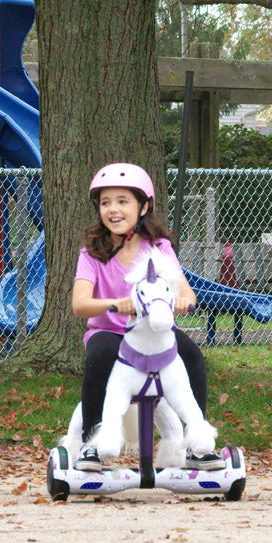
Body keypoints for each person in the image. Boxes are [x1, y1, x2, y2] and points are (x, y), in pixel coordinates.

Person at [71, 161, 223, 472]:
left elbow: (187, 292)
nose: (113, 209)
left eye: (123, 201)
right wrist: (116, 303)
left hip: (153, 332)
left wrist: (182, 301)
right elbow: (80, 304)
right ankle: (91, 442)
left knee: (192, 355)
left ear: (142, 208)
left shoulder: (158, 247)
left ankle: (197, 446)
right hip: (111, 332)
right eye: (105, 203)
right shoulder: (92, 253)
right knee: (100, 355)